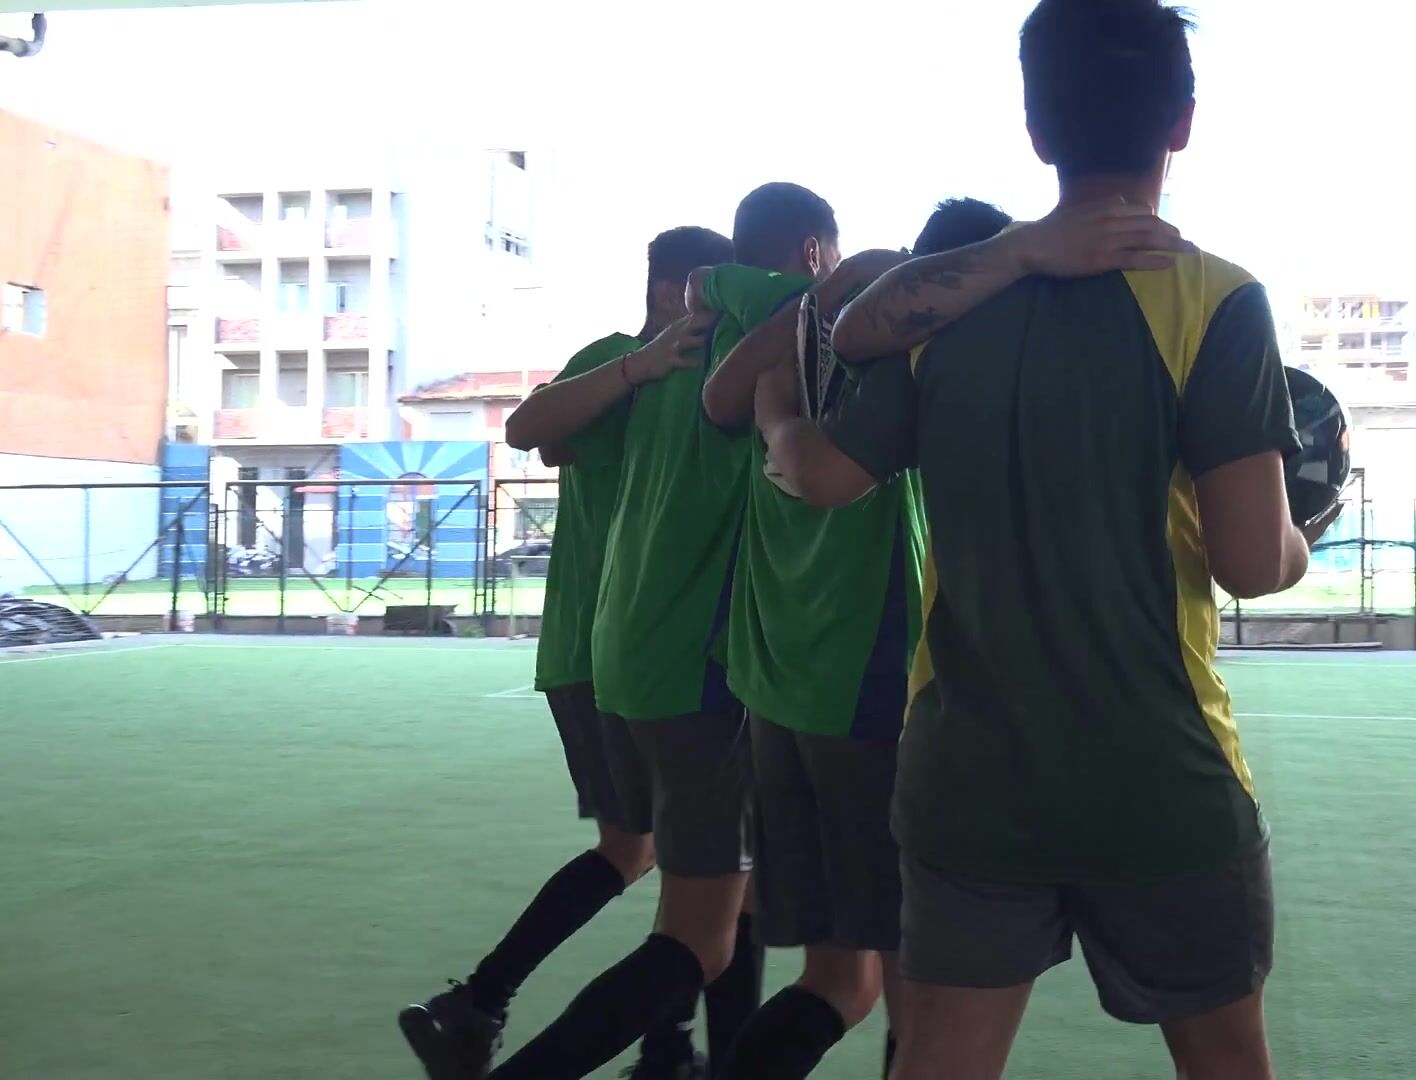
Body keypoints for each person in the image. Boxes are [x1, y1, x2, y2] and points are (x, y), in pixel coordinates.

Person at [769, 1, 1333, 1075]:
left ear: (1036, 129)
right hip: (1159, 776)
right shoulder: (1218, 300)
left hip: (969, 780)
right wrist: (1302, 533)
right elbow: (1254, 565)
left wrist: (774, 420)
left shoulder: (946, 309)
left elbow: (843, 382)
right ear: (1183, 123)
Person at [485, 183, 841, 1080]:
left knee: (712, 892)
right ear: (810, 254)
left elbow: (545, 437)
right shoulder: (740, 341)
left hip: (637, 660)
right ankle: (507, 1020)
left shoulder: (669, 360)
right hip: (690, 666)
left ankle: (665, 1051)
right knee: (697, 924)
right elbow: (534, 429)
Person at [398, 225, 734, 1080]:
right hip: (623, 652)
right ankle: (649, 1045)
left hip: (620, 650)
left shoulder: (693, 373)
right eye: (713, 286)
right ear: (671, 289)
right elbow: (529, 429)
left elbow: (554, 439)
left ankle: (491, 1006)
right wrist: (636, 368)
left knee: (649, 851)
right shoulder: (626, 361)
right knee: (690, 868)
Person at [700, 198, 1014, 1080]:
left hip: (778, 688)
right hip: (867, 688)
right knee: (920, 985)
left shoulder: (766, 342)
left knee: (841, 978)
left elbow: (720, 391)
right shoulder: (908, 353)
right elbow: (829, 472)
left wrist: (781, 370)